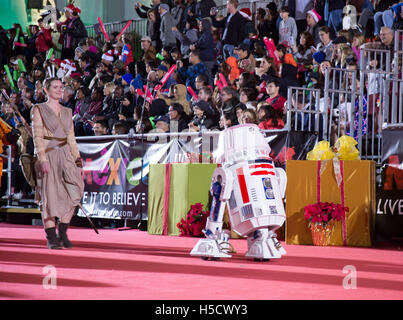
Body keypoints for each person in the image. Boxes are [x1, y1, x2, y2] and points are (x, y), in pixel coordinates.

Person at [31, 77, 84, 249]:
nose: (59, 90)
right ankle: (52, 237)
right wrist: (42, 159)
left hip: (66, 155)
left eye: (61, 87)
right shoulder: (38, 109)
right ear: (46, 90)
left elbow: (71, 138)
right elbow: (37, 136)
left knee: (76, 189)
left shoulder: (67, 112)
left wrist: (77, 160)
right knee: (49, 197)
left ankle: (62, 230)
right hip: (47, 154)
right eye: (55, 87)